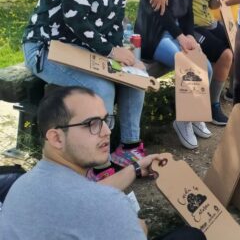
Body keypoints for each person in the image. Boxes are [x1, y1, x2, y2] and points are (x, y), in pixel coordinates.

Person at [22, 0, 147, 180]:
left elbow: (113, 30)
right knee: (103, 90)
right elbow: (74, 18)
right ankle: (97, 164)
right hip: (47, 49)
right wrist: (111, 52)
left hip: (84, 52)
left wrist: (129, 59)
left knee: (136, 80)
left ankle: (129, 148)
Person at [0, 86, 206, 240]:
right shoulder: (107, 205)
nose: (107, 132)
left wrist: (135, 168)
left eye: (105, 120)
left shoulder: (22, 185)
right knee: (191, 237)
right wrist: (139, 228)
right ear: (56, 138)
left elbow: (85, 194)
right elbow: (96, 200)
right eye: (93, 124)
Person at [136, 0, 232, 148]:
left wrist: (189, 36)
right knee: (190, 67)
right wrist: (181, 37)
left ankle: (195, 113)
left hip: (174, 32)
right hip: (155, 35)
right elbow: (163, 15)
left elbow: (187, 13)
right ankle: (183, 121)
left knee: (205, 66)